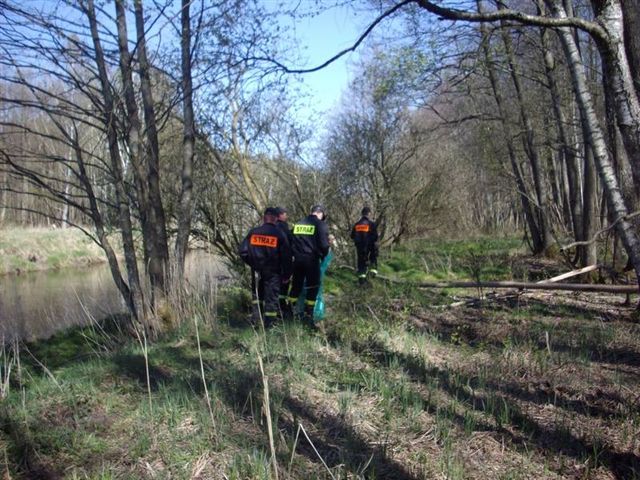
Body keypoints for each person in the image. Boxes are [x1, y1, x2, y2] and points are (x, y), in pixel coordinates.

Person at [238, 207, 292, 328]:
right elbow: (286, 257)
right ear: (276, 219)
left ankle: (256, 321)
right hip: (273, 271)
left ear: (264, 218)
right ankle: (269, 325)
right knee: (271, 298)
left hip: (257, 270)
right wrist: (287, 275)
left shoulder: (253, 232)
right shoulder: (279, 234)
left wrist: (252, 263)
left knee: (257, 295)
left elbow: (242, 252)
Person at [288, 204, 330, 325]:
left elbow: (290, 241)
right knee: (313, 287)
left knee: (296, 286)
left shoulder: (298, 224)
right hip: (312, 260)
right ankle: (308, 315)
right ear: (320, 214)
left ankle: (289, 311)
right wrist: (323, 255)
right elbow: (324, 245)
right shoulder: (321, 225)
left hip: (297, 260)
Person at [351, 206, 379, 284]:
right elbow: (375, 237)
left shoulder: (356, 224)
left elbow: (352, 236)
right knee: (373, 257)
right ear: (369, 213)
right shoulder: (371, 224)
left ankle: (362, 281)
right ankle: (372, 274)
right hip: (369, 247)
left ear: (362, 214)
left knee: (361, 263)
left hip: (359, 247)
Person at [275, 207, 294, 317]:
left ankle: (276, 307)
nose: (287, 216)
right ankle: (281, 308)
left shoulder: (272, 226)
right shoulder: (283, 226)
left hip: (272, 264)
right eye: (285, 214)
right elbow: (287, 247)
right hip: (283, 263)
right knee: (283, 286)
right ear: (280, 215)